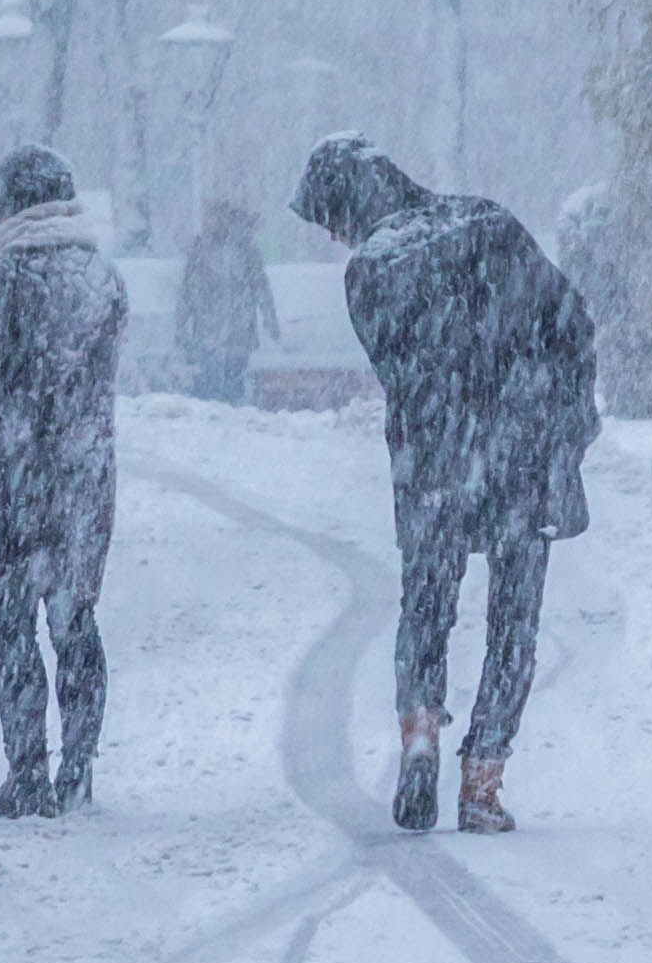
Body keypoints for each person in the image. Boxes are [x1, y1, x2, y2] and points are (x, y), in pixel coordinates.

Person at [293, 133, 598, 834]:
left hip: (434, 457)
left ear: (349, 208)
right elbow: (571, 321)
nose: (338, 236)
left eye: (333, 220)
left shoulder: (370, 271)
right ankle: (483, 783)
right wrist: (561, 413)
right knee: (514, 619)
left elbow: (399, 373)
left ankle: (422, 732)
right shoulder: (487, 221)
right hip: (522, 448)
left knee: (425, 607)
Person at [0, 146, 127, 817]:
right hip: (82, 476)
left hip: (15, 477)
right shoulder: (105, 279)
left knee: (13, 626)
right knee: (75, 621)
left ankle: (29, 775)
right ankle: (78, 769)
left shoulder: (6, 280)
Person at [171, 195, 272, 406]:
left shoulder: (246, 250)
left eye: (216, 216)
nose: (211, 221)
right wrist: (181, 326)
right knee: (208, 381)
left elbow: (260, 285)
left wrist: (269, 317)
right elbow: (187, 290)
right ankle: (213, 413)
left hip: (237, 329)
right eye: (210, 217)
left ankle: (229, 414)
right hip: (210, 329)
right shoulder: (201, 250)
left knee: (233, 380)